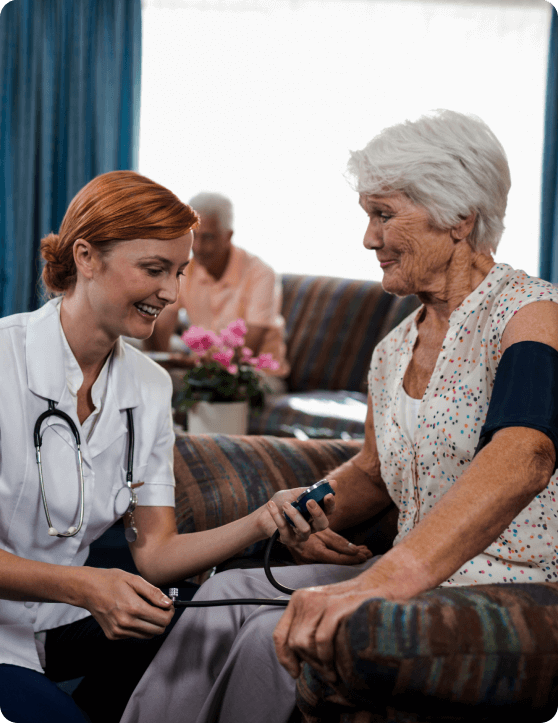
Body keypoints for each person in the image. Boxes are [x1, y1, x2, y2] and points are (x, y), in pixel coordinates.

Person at [119, 110, 558, 723]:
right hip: (414, 570)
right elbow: (375, 473)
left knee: (263, 644)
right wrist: (308, 511)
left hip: (503, 579)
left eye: (383, 214)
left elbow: (526, 453)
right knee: (220, 593)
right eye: (367, 216)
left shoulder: (529, 313)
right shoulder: (395, 348)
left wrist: (385, 580)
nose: (368, 239)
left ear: (459, 215)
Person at [0, 171, 335, 723]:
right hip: (24, 624)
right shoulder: (6, 359)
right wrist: (84, 585)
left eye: (180, 273)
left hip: (61, 624)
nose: (172, 294)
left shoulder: (150, 385)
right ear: (86, 256)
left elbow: (155, 553)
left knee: (204, 632)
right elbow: (91, 583)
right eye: (154, 270)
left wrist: (264, 519)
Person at [144, 192, 290, 390]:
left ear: (228, 236)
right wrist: (164, 367)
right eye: (193, 236)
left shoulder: (261, 273)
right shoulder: (185, 268)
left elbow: (249, 348)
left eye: (208, 237)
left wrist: (190, 366)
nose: (198, 247)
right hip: (202, 368)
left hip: (254, 375)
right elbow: (162, 325)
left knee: (183, 387)